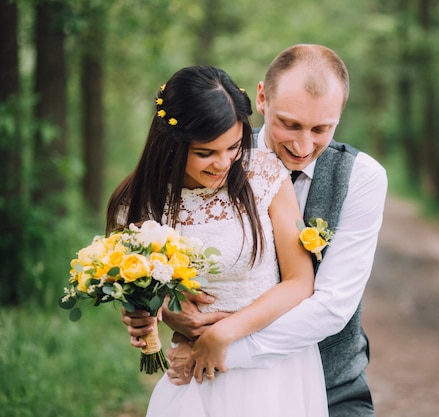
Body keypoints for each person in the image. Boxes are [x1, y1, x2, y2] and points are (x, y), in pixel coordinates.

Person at [125, 44, 388, 417]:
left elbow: (331, 307)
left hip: (331, 385)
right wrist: (162, 309)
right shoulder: (216, 155)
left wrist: (220, 345)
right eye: (290, 124)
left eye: (321, 129)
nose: (302, 145)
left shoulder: (362, 178)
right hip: (209, 379)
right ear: (262, 98)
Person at [108, 65, 328, 416]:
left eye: (233, 147)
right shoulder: (138, 202)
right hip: (192, 372)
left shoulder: (264, 174)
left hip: (270, 368)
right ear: (172, 144)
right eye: (206, 152)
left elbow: (300, 282)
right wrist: (160, 311)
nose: (224, 162)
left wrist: (222, 333)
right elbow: (142, 290)